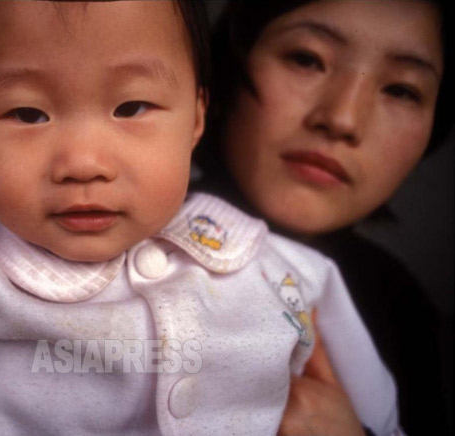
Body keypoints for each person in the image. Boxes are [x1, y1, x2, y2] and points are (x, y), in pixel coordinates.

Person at [0, 1, 401, 435]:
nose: (82, 163)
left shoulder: (278, 266)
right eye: (27, 113)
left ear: (195, 117)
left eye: (132, 105)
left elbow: (379, 410)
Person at [194, 0, 453, 434]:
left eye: (401, 90)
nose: (343, 118)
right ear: (228, 66)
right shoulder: (98, 234)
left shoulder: (402, 309)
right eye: (306, 59)